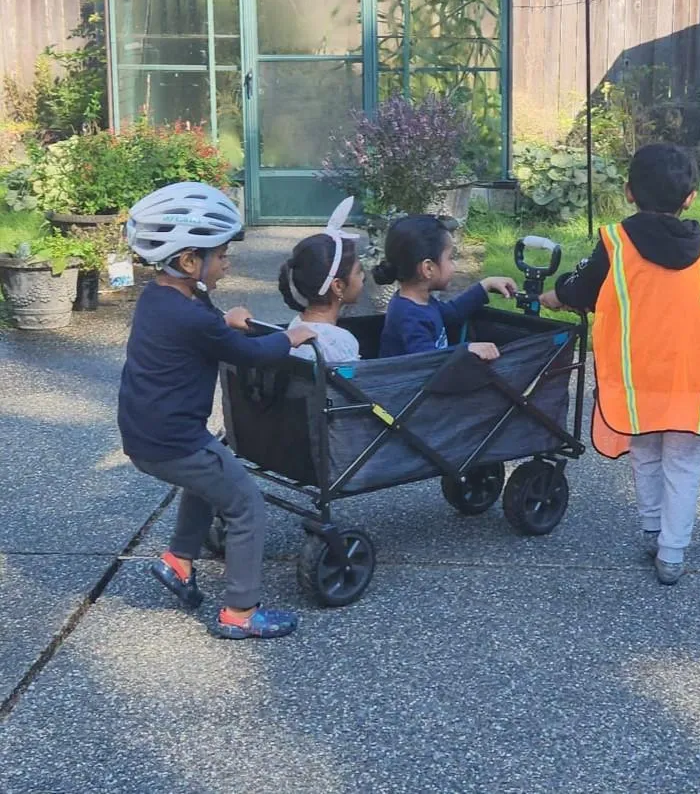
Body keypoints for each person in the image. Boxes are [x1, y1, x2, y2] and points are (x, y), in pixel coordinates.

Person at [118, 182, 315, 639]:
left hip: (146, 436)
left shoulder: (161, 297)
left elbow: (208, 327)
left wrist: (225, 320)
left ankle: (178, 562)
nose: (228, 262)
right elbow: (250, 354)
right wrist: (290, 337)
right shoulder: (194, 318)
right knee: (246, 505)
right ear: (189, 261)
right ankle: (240, 613)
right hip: (176, 443)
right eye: (222, 255)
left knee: (211, 481)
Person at [539, 143, 700, 586]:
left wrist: (555, 295)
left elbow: (579, 289)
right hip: (689, 377)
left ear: (628, 192)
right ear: (690, 197)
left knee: (645, 452)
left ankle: (652, 529)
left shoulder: (616, 243)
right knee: (684, 462)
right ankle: (672, 554)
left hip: (637, 377)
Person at [374, 214, 517, 360]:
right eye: (450, 258)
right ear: (428, 268)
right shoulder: (409, 316)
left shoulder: (421, 302)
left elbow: (452, 313)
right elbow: (427, 362)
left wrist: (485, 285)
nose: (454, 266)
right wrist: (466, 350)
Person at [278, 197, 364, 363]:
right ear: (338, 286)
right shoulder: (342, 342)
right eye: (359, 272)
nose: (363, 277)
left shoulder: (296, 326)